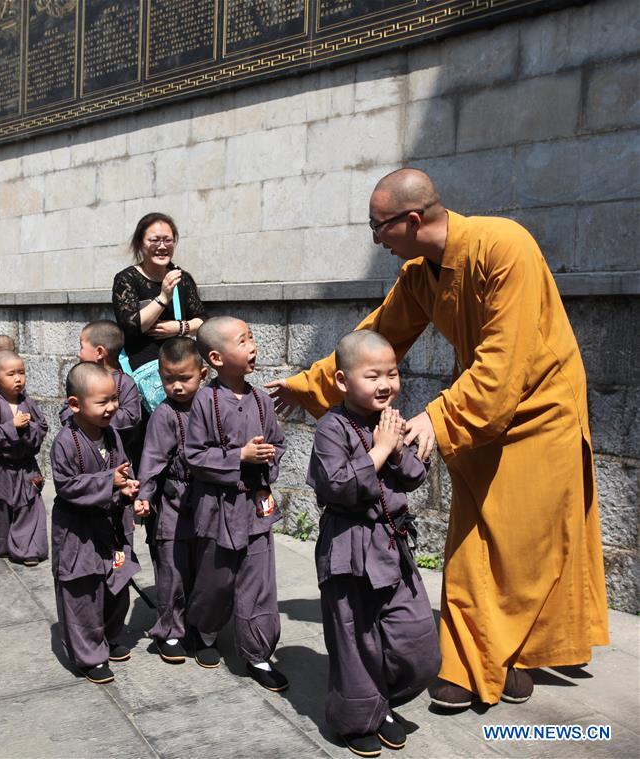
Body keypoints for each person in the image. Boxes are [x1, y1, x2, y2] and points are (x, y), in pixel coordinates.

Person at [267, 168, 608, 708]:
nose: (375, 240)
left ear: (411, 220)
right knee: (474, 538)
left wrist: (438, 417)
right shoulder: (419, 275)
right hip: (483, 409)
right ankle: (480, 659)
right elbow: (376, 336)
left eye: (377, 227)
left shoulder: (504, 247)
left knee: (526, 543)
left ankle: (505, 656)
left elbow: (505, 358)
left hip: (539, 409)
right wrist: (309, 383)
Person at [307, 330, 439, 756]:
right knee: (355, 638)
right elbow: (337, 487)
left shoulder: (390, 420)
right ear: (343, 381)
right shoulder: (331, 428)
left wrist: (398, 449)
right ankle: (359, 718)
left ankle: (380, 700)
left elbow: (414, 476)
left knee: (417, 639)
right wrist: (380, 450)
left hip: (391, 545)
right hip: (348, 546)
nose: (386, 384)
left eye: (392, 374)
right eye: (373, 376)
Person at [184, 316, 288, 691]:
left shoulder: (261, 400)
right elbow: (194, 456)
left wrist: (266, 458)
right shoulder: (205, 401)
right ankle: (206, 629)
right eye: (242, 341)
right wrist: (238, 456)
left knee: (258, 583)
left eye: (252, 338)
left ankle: (258, 654)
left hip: (255, 509)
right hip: (217, 511)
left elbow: (278, 443)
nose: (253, 347)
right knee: (217, 581)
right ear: (216, 358)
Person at [49, 362, 143, 684]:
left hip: (111, 525)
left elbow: (123, 469)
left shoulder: (112, 434)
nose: (112, 407)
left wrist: (129, 488)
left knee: (116, 585)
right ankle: (89, 655)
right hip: (78, 530)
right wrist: (109, 482)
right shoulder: (66, 441)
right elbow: (66, 486)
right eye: (102, 402)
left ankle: (110, 635)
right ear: (75, 404)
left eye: (114, 399)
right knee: (83, 592)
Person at [134, 337, 208, 664]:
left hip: (207, 500)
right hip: (174, 501)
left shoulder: (211, 405)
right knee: (172, 568)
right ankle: (171, 630)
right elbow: (152, 460)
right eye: (168, 379)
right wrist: (144, 496)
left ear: (202, 374)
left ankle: (202, 627)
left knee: (204, 568)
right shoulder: (164, 414)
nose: (176, 386)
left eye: (184, 378)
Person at [0, 350, 49, 566]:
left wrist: (28, 429)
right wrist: (12, 426)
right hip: (1, 467)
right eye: (11, 374)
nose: (18, 379)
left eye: (21, 372)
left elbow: (42, 427)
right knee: (0, 509)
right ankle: (0, 546)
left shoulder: (28, 402)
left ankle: (29, 550)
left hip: (26, 468)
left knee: (30, 507)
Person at [112, 213, 208, 372]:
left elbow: (203, 321)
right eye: (154, 240)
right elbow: (130, 327)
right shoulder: (126, 279)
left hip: (178, 367)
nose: (162, 246)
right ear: (139, 243)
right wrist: (163, 297)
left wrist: (179, 327)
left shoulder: (181, 278)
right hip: (141, 371)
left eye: (168, 240)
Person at [59, 320, 142, 445]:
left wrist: (95, 417)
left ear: (99, 352)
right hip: (83, 447)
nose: (78, 354)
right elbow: (66, 412)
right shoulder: (81, 379)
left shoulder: (125, 383)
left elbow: (132, 417)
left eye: (81, 347)